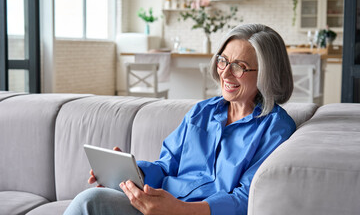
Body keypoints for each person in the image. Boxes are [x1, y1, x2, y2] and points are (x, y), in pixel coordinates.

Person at [64, 23, 296, 215]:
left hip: (197, 212)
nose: (224, 73)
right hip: (159, 205)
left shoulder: (276, 128)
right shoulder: (201, 112)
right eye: (223, 61)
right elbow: (166, 165)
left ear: (266, 73)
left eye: (239, 67)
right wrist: (131, 173)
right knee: (92, 200)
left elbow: (248, 197)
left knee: (89, 202)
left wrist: (181, 209)